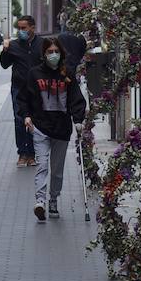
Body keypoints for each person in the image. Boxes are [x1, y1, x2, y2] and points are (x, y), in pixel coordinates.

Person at [18, 36, 87, 220]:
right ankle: (40, 201)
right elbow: (24, 98)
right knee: (42, 165)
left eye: (56, 51)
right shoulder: (34, 74)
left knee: (57, 170)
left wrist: (78, 119)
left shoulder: (67, 74)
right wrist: (26, 116)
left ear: (61, 53)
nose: (53, 55)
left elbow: (76, 98)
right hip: (40, 127)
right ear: (44, 54)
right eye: (50, 52)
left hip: (61, 128)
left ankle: (54, 199)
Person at [0, 14, 44, 167]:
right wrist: (5, 50)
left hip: (37, 89)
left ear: (32, 27)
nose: (20, 31)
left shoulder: (42, 44)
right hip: (19, 88)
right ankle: (22, 153)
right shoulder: (13, 45)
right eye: (18, 28)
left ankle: (32, 153)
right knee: (19, 120)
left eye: (23, 28)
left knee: (35, 121)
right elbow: (4, 64)